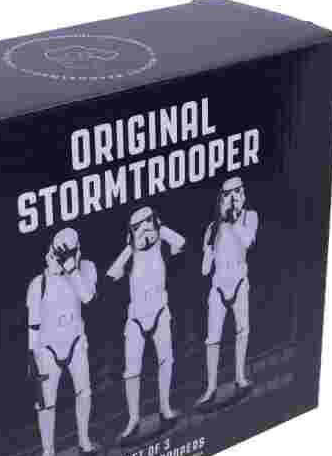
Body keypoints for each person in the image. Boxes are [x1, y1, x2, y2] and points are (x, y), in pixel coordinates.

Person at [106, 206, 185, 442]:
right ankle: (133, 419)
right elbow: (111, 274)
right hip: (137, 318)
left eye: (148, 223)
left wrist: (161, 230)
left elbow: (180, 242)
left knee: (166, 360)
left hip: (160, 311)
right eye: (138, 227)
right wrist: (130, 247)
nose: (144, 230)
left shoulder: (161, 242)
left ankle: (165, 407)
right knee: (132, 371)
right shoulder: (131, 252)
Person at [26, 227, 97, 456]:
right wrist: (32, 356)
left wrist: (71, 269)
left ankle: (84, 440)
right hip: (48, 348)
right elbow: (34, 324)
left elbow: (87, 297)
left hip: (75, 341)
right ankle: (48, 452)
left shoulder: (85, 269)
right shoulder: (39, 284)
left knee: (84, 391)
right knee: (45, 403)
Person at [197, 176, 259, 411]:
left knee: (242, 330)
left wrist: (233, 222)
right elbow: (204, 270)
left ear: (243, 193)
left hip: (239, 280)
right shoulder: (212, 228)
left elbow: (248, 242)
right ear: (221, 199)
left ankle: (240, 377)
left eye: (237, 192)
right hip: (218, 286)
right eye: (228, 194)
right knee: (212, 338)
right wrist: (210, 246)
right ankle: (211, 388)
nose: (233, 198)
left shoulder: (249, 217)